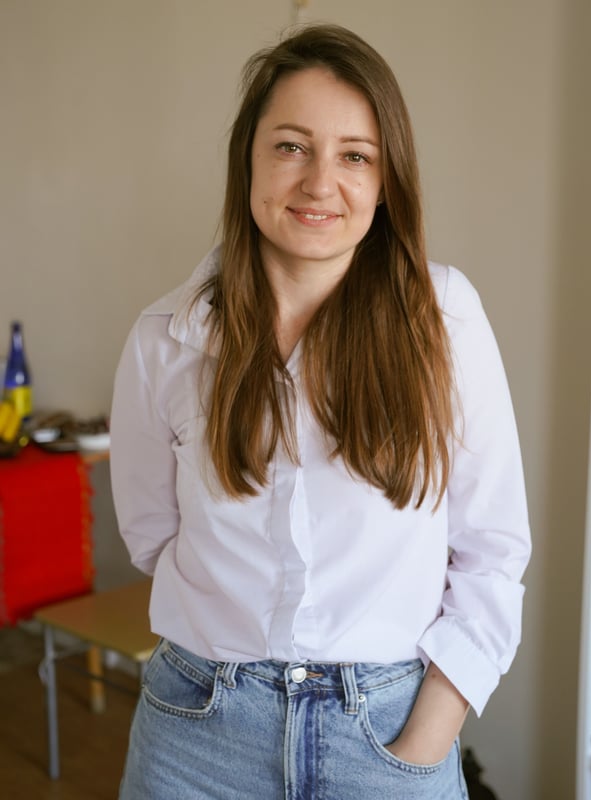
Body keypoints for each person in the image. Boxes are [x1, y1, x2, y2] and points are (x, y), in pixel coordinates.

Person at [110, 23, 531, 800]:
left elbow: (493, 550)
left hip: (387, 736)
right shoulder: (163, 340)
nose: (319, 183)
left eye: (354, 156)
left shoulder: (445, 318)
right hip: (196, 736)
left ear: (385, 179)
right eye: (291, 146)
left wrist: (427, 732)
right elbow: (152, 535)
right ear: (248, 158)